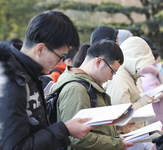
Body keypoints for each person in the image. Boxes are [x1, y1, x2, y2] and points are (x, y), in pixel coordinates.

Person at [0, 11, 94, 150]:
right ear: (41, 49)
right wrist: (64, 129)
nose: (60, 62)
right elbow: (15, 147)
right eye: (60, 56)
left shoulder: (28, 73)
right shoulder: (13, 81)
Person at [50, 39, 135, 150]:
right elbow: (76, 138)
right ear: (98, 62)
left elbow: (94, 129)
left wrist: (118, 131)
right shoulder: (76, 89)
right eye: (112, 71)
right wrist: (116, 143)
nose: (111, 77)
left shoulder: (88, 86)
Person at [104, 36, 155, 130]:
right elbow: (122, 113)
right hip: (127, 136)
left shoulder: (129, 74)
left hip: (132, 133)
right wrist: (144, 101)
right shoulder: (119, 77)